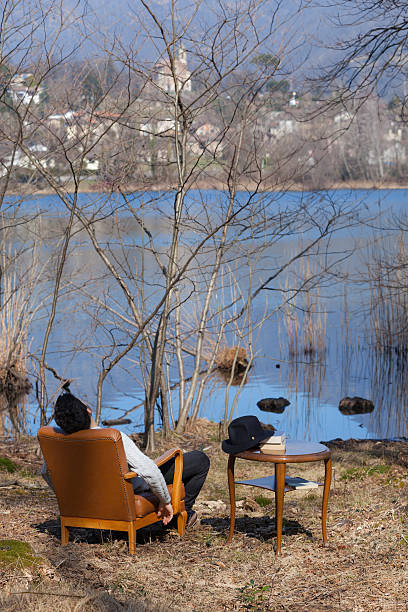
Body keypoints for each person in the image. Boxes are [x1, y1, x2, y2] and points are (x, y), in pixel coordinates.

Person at [41, 391, 210, 529]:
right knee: (200, 459)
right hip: (132, 487)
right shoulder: (111, 438)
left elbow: (45, 472)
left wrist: (70, 500)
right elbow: (150, 472)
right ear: (88, 410)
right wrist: (165, 501)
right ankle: (179, 514)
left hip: (95, 497)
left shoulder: (58, 442)